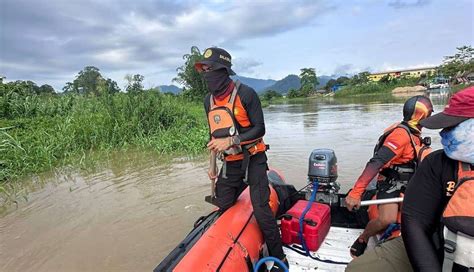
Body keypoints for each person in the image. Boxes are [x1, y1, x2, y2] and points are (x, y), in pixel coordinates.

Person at [195, 47, 288, 271]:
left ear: (223, 70)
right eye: (204, 69)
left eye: (210, 69)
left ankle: (280, 258)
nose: (206, 73)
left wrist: (231, 141)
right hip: (230, 162)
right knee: (222, 202)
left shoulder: (246, 94)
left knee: (262, 211)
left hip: (254, 158)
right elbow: (214, 135)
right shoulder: (208, 101)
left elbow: (260, 129)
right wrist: (213, 164)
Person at [345, 95, 433, 257]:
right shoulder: (401, 135)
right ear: (421, 115)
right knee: (387, 219)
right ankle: (363, 238)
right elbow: (376, 162)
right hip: (391, 182)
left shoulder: (415, 133)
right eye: (429, 114)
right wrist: (356, 192)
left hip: (411, 182)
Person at [402, 86, 474, 272]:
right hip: (441, 251)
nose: (443, 134)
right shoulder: (437, 163)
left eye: (452, 127)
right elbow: (414, 221)